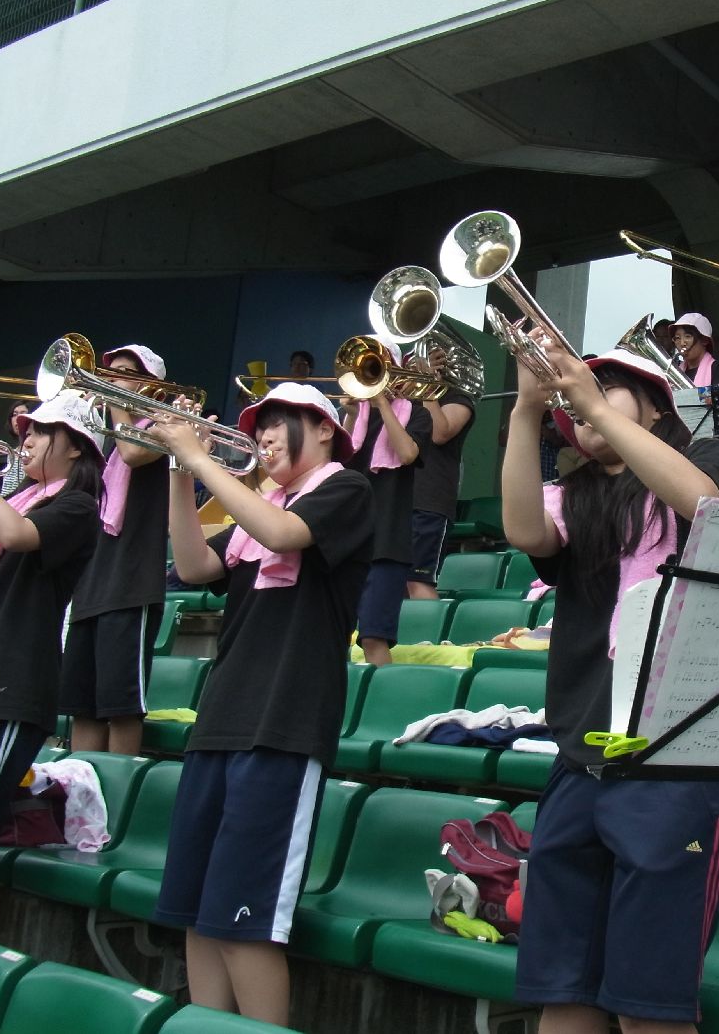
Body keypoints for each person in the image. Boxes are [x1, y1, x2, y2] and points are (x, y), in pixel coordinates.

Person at [503, 337, 719, 1034]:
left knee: (649, 1006)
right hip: (584, 752)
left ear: (656, 406)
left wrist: (597, 412)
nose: (585, 409)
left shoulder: (705, 458)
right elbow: (523, 528)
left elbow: (703, 503)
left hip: (676, 758)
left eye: (608, 392)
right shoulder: (574, 495)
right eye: (577, 401)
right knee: (564, 992)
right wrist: (524, 411)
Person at [149, 383, 372, 1025]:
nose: (266, 434)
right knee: (196, 911)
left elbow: (283, 532)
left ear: (326, 429)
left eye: (282, 422)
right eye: (261, 423)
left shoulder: (345, 489)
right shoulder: (256, 501)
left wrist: (198, 457)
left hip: (285, 721)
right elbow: (192, 568)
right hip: (221, 718)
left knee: (245, 919)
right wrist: (174, 468)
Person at [0, 393, 104, 942]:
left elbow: (17, 537)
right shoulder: (18, 499)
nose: (24, 441)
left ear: (76, 449)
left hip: (12, 692)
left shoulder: (74, 508)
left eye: (39, 432)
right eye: (24, 431)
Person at [60, 344, 171, 756]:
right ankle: (77, 795)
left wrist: (119, 403)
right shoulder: (103, 437)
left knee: (121, 706)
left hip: (131, 582)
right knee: (82, 706)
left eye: (127, 371)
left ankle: (117, 794)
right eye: (111, 371)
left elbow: (134, 451)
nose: (113, 377)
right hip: (91, 583)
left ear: (152, 384)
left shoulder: (166, 423)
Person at [339, 342, 430, 666]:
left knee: (374, 639)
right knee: (335, 636)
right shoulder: (356, 416)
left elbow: (406, 453)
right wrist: (350, 415)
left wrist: (383, 403)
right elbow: (336, 463)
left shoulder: (415, 413)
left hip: (388, 544)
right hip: (350, 542)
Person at [406, 346, 476, 601]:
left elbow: (439, 433)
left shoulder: (459, 398)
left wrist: (427, 385)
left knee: (418, 581)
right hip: (395, 499)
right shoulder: (405, 398)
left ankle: (426, 640)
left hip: (428, 502)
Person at [672, 312, 719, 387]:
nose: (682, 343)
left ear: (704, 340)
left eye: (688, 336)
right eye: (677, 338)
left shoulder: (718, 368)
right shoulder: (676, 371)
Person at [0, 402, 31, 497]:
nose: (18, 418)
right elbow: (7, 490)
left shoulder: (34, 450)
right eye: (14, 414)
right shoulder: (12, 452)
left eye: (23, 413)